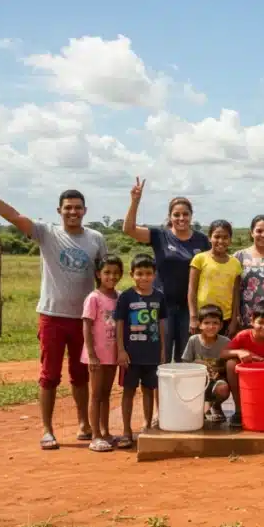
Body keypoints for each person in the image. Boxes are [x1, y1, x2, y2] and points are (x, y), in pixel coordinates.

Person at [0, 171, 107, 450]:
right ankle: (47, 430)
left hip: (83, 319)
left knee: (81, 375)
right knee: (49, 375)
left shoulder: (96, 239)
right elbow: (13, 216)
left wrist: (103, 314)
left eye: (77, 208)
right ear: (59, 211)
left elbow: (103, 277)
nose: (73, 212)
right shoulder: (47, 233)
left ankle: (84, 424)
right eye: (68, 208)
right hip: (52, 316)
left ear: (85, 211)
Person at [122, 178, 210, 363]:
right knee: (161, 354)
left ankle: (183, 384)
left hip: (189, 308)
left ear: (191, 216)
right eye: (176, 214)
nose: (181, 218)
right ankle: (159, 384)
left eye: (185, 214)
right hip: (161, 305)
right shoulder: (160, 235)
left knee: (186, 358)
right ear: (170, 216)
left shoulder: (202, 240)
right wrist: (135, 201)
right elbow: (128, 229)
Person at [114, 253, 167, 449]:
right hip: (130, 355)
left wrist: (163, 349)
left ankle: (147, 426)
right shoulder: (126, 297)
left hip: (152, 353)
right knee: (128, 391)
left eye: (148, 273)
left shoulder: (159, 296)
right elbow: (119, 324)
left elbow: (161, 325)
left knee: (149, 390)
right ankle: (127, 431)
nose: (144, 277)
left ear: (154, 274)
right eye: (139, 273)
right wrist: (121, 350)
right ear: (132, 274)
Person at [223, 300, 264, 427]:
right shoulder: (243, 336)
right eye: (261, 322)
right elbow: (224, 353)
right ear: (252, 321)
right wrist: (239, 352)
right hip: (244, 378)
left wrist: (257, 359)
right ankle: (239, 410)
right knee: (231, 364)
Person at [81, 255, 123, 452]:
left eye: (115, 273)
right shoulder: (94, 298)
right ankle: (95, 435)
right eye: (107, 272)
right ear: (98, 274)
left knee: (106, 393)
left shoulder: (120, 297)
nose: (111, 276)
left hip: (112, 354)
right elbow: (86, 326)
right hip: (97, 354)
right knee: (96, 394)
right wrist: (91, 354)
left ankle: (106, 432)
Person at [189, 220, 243, 336]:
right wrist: (193, 317)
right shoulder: (200, 259)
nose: (221, 241)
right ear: (209, 238)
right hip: (203, 317)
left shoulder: (235, 263)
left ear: (230, 240)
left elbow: (236, 294)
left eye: (225, 237)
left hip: (225, 318)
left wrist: (234, 320)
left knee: (223, 347)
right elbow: (192, 290)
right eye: (217, 237)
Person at [182, 305, 231, 424]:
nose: (211, 326)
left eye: (215, 323)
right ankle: (197, 409)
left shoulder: (225, 342)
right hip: (196, 383)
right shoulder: (193, 340)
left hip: (216, 382)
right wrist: (197, 364)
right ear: (199, 325)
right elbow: (185, 364)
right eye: (207, 323)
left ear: (221, 325)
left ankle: (216, 406)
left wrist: (217, 370)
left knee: (223, 388)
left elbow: (228, 366)